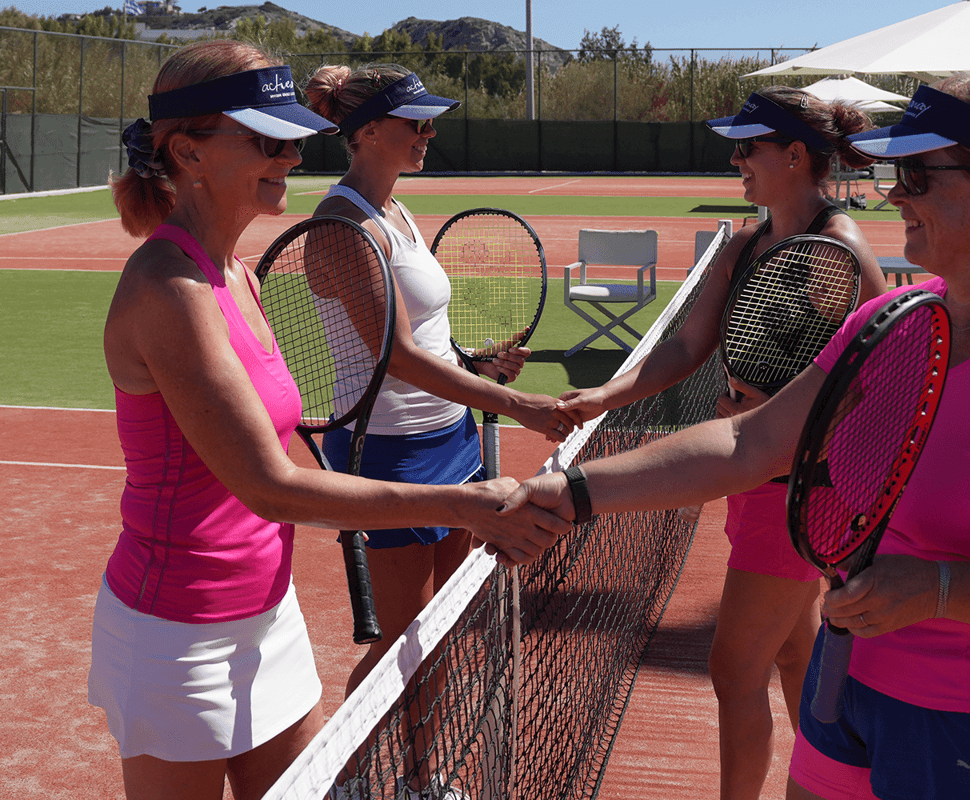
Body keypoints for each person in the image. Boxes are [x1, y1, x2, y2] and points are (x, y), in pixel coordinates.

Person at [501, 72, 970, 800]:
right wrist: (571, 491)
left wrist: (940, 589)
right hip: (847, 681)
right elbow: (749, 444)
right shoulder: (898, 319)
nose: (894, 194)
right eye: (893, 173)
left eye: (915, 173)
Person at [90, 41, 567, 800]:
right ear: (188, 152)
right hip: (179, 634)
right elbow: (271, 488)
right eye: (265, 140)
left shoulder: (237, 273)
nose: (290, 153)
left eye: (293, 137)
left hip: (267, 615)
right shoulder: (167, 289)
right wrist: (466, 502)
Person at [555, 85, 886, 800]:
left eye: (749, 147)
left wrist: (790, 413)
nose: (735, 159)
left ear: (794, 156)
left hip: (799, 491)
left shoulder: (841, 252)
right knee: (796, 657)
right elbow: (685, 349)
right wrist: (603, 400)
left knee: (734, 669)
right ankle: (831, 790)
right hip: (751, 482)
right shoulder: (744, 245)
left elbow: (879, 387)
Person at [302, 63, 576, 796]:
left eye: (431, 121)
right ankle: (346, 773)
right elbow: (393, 357)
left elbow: (427, 343)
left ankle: (420, 782)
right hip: (386, 452)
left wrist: (476, 363)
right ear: (365, 132)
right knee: (405, 642)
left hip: (451, 438)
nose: (429, 133)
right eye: (413, 122)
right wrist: (513, 404)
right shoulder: (341, 226)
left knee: (445, 631)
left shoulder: (397, 212)